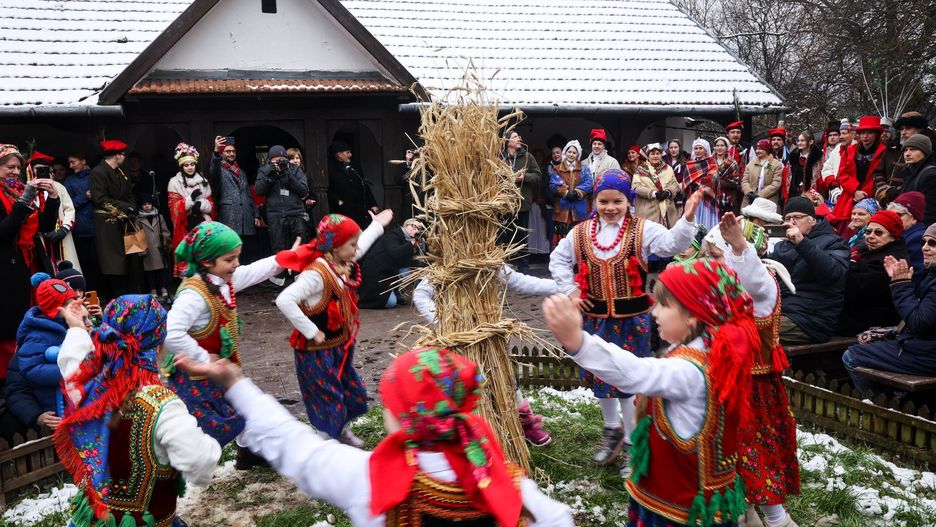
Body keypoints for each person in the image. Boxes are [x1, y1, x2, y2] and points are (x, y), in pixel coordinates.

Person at [175, 345, 574, 527]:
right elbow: (559, 518)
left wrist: (236, 384)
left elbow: (295, 446)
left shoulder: (372, 480)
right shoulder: (502, 480)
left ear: (403, 419)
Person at [542, 259, 761, 527]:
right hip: (693, 497)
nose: (654, 312)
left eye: (664, 305)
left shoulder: (689, 370)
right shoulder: (715, 352)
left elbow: (635, 373)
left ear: (692, 315)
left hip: (679, 509)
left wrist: (578, 341)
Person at [549, 170, 700, 466]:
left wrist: (688, 218)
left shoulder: (642, 230)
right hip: (594, 319)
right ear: (595, 201)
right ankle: (612, 428)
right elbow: (558, 259)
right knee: (601, 375)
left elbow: (672, 244)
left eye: (617, 201)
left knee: (630, 381)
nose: (610, 208)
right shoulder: (580, 232)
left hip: (632, 320)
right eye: (603, 201)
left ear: (627, 201)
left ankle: (633, 440)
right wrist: (570, 291)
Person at [53, 295, 221, 527]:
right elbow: (200, 465)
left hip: (94, 519)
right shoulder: (162, 405)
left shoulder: (91, 384)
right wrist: (212, 442)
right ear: (159, 344)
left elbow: (72, 362)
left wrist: (77, 330)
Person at [699, 215, 801, 527]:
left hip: (753, 390)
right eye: (712, 254)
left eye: (720, 254)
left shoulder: (761, 285)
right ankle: (744, 510)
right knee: (727, 451)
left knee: (756, 452)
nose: (714, 261)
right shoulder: (720, 287)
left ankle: (776, 518)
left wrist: (738, 245)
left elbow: (747, 276)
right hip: (723, 383)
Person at [164, 221, 291, 468]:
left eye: (237, 258)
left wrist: (286, 258)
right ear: (207, 262)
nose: (236, 264)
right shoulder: (193, 294)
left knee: (242, 406)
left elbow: (255, 271)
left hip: (220, 368)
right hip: (196, 376)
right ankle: (180, 467)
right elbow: (171, 332)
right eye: (229, 259)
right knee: (204, 425)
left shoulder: (223, 281)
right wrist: (202, 358)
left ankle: (247, 452)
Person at [274, 211, 393, 448]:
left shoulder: (340, 261)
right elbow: (284, 299)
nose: (356, 249)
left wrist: (377, 226)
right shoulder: (316, 274)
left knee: (349, 390)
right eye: (352, 244)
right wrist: (310, 331)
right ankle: (326, 441)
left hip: (339, 346)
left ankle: (338, 431)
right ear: (336, 247)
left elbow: (361, 247)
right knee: (326, 395)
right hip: (316, 352)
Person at [412, 266, 560, 447]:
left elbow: (519, 281)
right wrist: (445, 322)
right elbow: (420, 294)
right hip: (459, 340)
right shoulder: (443, 266)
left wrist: (562, 286)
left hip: (489, 335)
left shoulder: (489, 262)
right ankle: (465, 430)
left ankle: (525, 422)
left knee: (506, 378)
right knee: (462, 385)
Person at [842, 223, 936, 394]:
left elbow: (918, 322)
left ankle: (880, 406)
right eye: (923, 242)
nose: (925, 248)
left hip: (928, 354)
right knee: (867, 339)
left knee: (851, 356)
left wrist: (900, 284)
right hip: (921, 344)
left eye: (932, 244)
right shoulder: (931, 273)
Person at [0, 144, 61, 384]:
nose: (15, 172)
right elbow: (4, 232)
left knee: (33, 316)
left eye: (17, 167)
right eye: (8, 167)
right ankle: (8, 377)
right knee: (8, 322)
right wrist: (24, 201)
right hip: (6, 267)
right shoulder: (18, 195)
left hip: (30, 265)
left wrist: (53, 197)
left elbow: (44, 227)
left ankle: (30, 366)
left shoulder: (18, 190)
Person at [767, 197, 849, 345]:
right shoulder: (783, 245)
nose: (791, 222)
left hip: (811, 320)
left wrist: (802, 243)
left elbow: (833, 274)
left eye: (797, 217)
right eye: (787, 218)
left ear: (813, 220)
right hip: (782, 311)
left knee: (749, 332)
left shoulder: (834, 242)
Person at [10, 273, 77, 430]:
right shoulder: (33, 342)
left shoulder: (79, 329)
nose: (77, 307)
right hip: (59, 422)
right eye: (70, 304)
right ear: (57, 309)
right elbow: (16, 390)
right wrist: (36, 415)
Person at [837, 210, 909, 336]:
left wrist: (852, 262)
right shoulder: (868, 251)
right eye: (868, 231)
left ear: (892, 236)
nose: (870, 236)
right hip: (858, 315)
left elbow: (857, 290)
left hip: (871, 323)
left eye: (878, 233)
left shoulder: (891, 259)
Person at [829, 116, 899, 236]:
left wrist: (865, 194)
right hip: (849, 197)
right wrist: (855, 191)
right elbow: (842, 174)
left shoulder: (885, 152)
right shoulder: (850, 150)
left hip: (873, 198)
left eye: (869, 133)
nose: (865, 136)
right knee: (843, 232)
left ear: (876, 134)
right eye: (862, 133)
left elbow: (882, 175)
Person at [90, 139, 141, 299]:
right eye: (123, 154)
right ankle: (116, 296)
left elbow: (129, 194)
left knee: (130, 260)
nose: (124, 157)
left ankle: (130, 293)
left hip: (125, 221)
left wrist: (133, 207)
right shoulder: (98, 172)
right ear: (116, 156)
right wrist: (126, 207)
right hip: (108, 224)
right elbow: (100, 199)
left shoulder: (120, 172)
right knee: (114, 262)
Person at [256, 145, 311, 268]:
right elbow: (259, 191)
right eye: (275, 160)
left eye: (282, 160)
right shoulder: (264, 170)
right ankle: (280, 280)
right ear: (270, 160)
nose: (279, 163)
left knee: (299, 247)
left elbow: (303, 191)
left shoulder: (295, 170)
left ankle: (299, 274)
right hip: (275, 216)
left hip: (296, 214)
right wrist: (271, 176)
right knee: (279, 250)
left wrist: (288, 174)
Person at [211, 136, 260, 264]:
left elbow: (248, 195)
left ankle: (248, 281)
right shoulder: (219, 171)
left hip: (246, 217)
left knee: (248, 252)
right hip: (230, 216)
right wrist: (215, 151)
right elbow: (213, 170)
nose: (231, 153)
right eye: (228, 151)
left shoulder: (242, 172)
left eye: (233, 151)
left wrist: (256, 214)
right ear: (222, 154)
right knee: (231, 251)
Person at [168, 143, 214, 278]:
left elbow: (211, 204)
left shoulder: (203, 181)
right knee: (189, 258)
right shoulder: (174, 182)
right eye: (186, 165)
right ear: (182, 166)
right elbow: (173, 207)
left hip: (202, 223)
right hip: (186, 225)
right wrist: (189, 200)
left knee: (204, 256)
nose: (189, 167)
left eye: (192, 164)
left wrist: (201, 204)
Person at [358, 218, 423, 309]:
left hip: (390, 273)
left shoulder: (406, 239)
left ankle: (398, 293)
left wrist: (417, 249)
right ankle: (392, 295)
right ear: (405, 226)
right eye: (413, 226)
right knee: (391, 303)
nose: (415, 230)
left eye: (418, 228)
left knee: (409, 271)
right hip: (377, 274)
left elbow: (407, 262)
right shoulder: (393, 235)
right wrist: (411, 244)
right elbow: (395, 252)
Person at [500, 131, 540, 274]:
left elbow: (538, 176)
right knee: (503, 237)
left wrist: (525, 177)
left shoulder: (528, 156)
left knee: (522, 237)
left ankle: (523, 268)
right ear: (507, 141)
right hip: (503, 205)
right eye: (515, 137)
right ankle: (503, 268)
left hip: (522, 204)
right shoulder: (499, 158)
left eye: (519, 136)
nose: (519, 139)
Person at [549, 140, 593, 245]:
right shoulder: (557, 169)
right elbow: (553, 184)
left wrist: (577, 193)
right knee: (562, 237)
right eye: (569, 152)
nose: (571, 154)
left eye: (574, 152)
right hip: (562, 209)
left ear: (578, 154)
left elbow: (589, 183)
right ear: (565, 152)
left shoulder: (584, 169)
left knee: (579, 237)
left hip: (579, 208)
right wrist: (565, 192)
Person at [65, 152, 99, 289]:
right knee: (85, 264)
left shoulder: (95, 176)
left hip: (98, 226)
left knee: (100, 262)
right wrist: (85, 196)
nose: (71, 166)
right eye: (69, 163)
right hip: (81, 229)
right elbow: (68, 204)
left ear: (83, 161)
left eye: (73, 162)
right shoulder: (69, 181)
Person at [328, 141, 378, 228]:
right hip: (344, 209)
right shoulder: (330, 168)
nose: (350, 154)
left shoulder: (354, 165)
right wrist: (338, 201)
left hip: (360, 207)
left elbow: (364, 184)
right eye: (347, 152)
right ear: (339, 154)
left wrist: (373, 203)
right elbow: (329, 188)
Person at [632, 143, 679, 227]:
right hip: (648, 210)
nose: (655, 156)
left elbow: (675, 185)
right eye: (652, 154)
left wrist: (668, 192)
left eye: (658, 153)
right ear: (647, 156)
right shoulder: (640, 170)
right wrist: (653, 193)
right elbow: (636, 187)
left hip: (667, 211)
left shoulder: (668, 169)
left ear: (661, 155)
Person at [888, 191, 926, 285]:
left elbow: (916, 273)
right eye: (891, 215)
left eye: (899, 215)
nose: (894, 218)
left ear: (914, 218)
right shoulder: (902, 234)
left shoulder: (917, 237)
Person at [138, 196, 172, 301]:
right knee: (150, 271)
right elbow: (138, 234)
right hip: (147, 248)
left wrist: (166, 241)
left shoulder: (159, 216)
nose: (147, 206)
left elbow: (165, 230)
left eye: (149, 204)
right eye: (144, 204)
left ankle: (163, 287)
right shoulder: (139, 219)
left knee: (161, 270)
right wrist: (141, 247)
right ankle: (153, 289)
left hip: (158, 247)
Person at [899, 134, 936, 225]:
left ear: (925, 151)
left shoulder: (930, 175)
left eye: (913, 149)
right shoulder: (911, 171)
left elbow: (929, 212)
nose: (907, 154)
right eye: (905, 150)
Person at [685, 138, 720, 229]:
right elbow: (686, 181)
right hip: (693, 197)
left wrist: (699, 184)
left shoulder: (712, 162)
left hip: (706, 198)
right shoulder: (689, 164)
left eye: (700, 148)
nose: (698, 150)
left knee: (706, 219)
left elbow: (713, 178)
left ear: (705, 150)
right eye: (696, 148)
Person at [742, 139, 784, 208]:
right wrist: (749, 193)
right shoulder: (751, 163)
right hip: (749, 201)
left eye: (761, 149)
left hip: (768, 201)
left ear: (767, 150)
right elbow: (744, 181)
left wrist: (759, 195)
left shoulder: (776, 164)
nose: (757, 151)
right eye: (757, 149)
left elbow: (776, 184)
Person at [712, 136, 742, 215]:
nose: (719, 148)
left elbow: (735, 182)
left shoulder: (732, 163)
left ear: (726, 147)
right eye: (717, 146)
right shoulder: (709, 161)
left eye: (722, 145)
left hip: (728, 199)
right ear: (714, 148)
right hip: (711, 197)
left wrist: (717, 182)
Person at [789, 130, 822, 199]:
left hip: (811, 195)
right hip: (794, 194)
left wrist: (809, 192)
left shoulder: (817, 157)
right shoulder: (793, 156)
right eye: (798, 141)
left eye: (802, 141)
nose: (799, 143)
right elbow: (789, 176)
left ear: (811, 142)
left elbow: (818, 177)